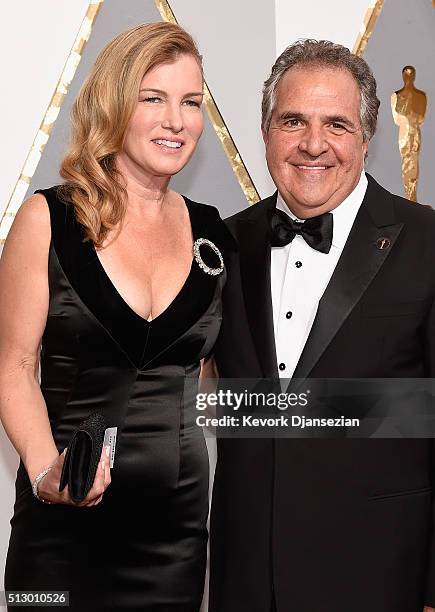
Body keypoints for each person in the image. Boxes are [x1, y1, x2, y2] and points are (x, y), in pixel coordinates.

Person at [0, 22, 232, 611]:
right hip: (59, 529)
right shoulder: (47, 219)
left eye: (191, 102)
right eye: (153, 98)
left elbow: (216, 383)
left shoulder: (212, 232)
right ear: (114, 102)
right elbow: (15, 366)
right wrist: (46, 469)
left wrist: (355, 420)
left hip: (175, 539)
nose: (176, 121)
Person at [209, 40, 435, 612]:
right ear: (265, 132)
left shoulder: (429, 241)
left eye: (336, 124)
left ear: (366, 137)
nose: (313, 144)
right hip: (247, 576)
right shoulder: (222, 245)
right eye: (292, 121)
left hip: (383, 576)